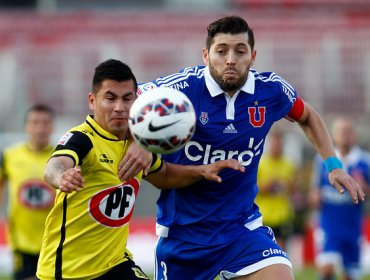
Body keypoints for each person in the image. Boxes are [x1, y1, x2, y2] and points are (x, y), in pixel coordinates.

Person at [126, 16, 365, 280]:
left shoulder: (271, 91)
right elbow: (126, 100)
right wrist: (141, 140)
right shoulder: (182, 88)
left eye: (240, 51)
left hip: (241, 230)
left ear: (252, 56)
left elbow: (308, 116)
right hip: (184, 235)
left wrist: (333, 165)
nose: (231, 59)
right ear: (205, 55)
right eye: (221, 51)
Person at [35, 59, 244, 280]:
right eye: (110, 98)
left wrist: (202, 171)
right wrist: (62, 176)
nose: (119, 107)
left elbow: (163, 174)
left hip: (114, 264)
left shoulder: (138, 143)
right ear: (92, 100)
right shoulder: (83, 139)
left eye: (127, 98)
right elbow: (55, 165)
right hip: (67, 272)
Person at [309, 116, 370, 280]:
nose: (345, 135)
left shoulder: (364, 161)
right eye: (341, 131)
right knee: (327, 269)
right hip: (328, 226)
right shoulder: (322, 160)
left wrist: (364, 187)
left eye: (348, 131)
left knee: (349, 275)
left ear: (355, 135)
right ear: (333, 136)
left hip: (352, 227)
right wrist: (314, 197)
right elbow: (314, 191)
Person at [0, 104, 56, 280]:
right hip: (21, 242)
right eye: (35, 122)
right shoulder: (9, 156)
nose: (40, 127)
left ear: (52, 127)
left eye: (45, 123)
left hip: (55, 241)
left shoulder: (62, 158)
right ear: (26, 126)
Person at [255, 130, 299, 250]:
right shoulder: (260, 163)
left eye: (279, 143)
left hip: (283, 215)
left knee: (280, 250)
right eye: (274, 143)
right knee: (263, 250)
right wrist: (269, 185)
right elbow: (252, 188)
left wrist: (287, 186)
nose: (277, 146)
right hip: (264, 215)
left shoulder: (289, 164)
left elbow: (295, 189)